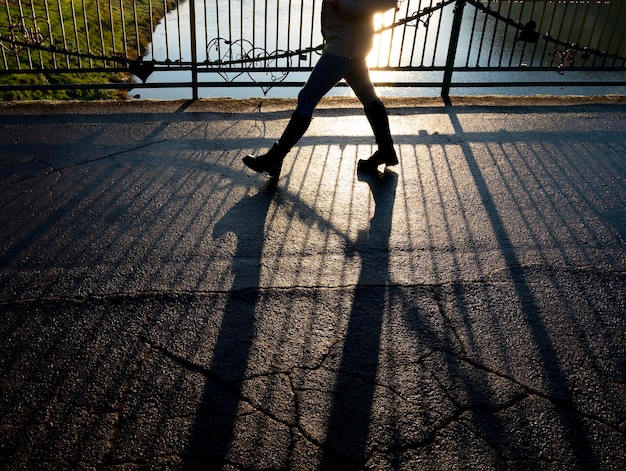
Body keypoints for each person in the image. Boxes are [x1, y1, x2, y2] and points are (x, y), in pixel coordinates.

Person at [243, 0, 399, 179]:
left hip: (344, 48)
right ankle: (386, 150)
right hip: (351, 45)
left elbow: (356, 5)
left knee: (308, 97)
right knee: (369, 97)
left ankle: (275, 158)